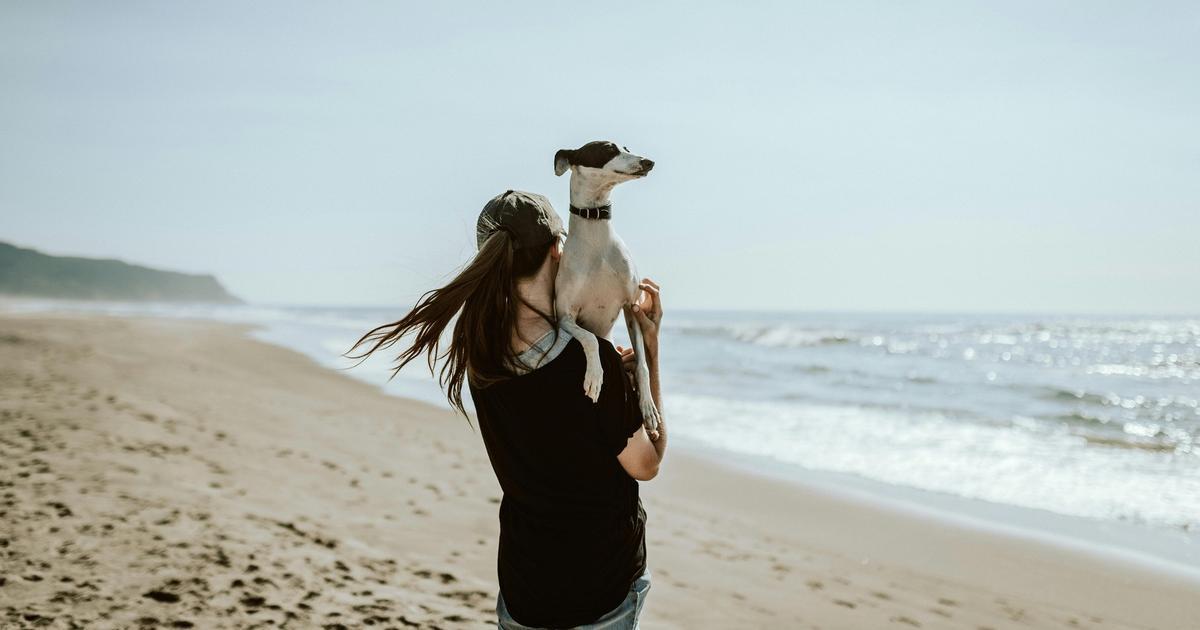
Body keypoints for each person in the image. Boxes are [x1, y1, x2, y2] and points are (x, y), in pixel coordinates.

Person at [345, 189, 668, 629]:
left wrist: (616, 382)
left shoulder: (479, 351)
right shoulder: (588, 361)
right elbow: (646, 464)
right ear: (558, 250)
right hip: (600, 586)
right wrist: (649, 352)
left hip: (525, 588)